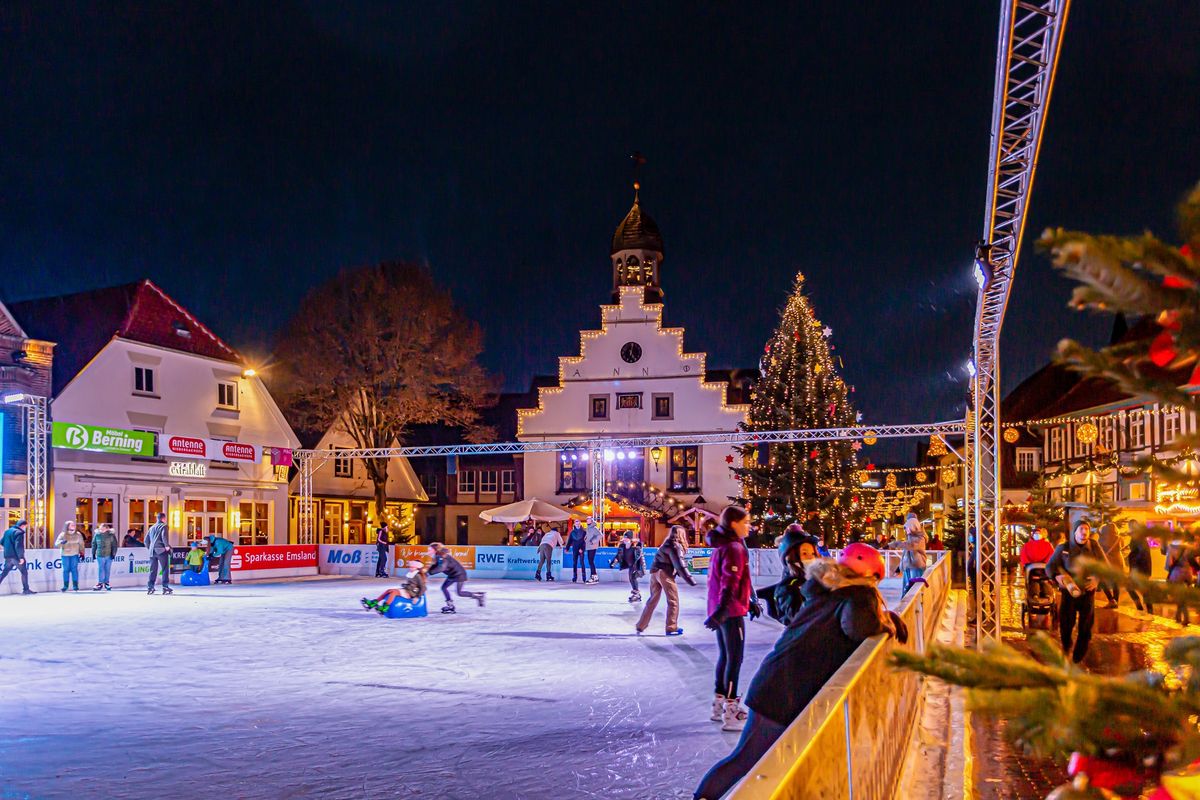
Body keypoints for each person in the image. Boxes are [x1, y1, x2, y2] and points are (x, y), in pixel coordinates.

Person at [693, 544, 907, 800]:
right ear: (870, 574)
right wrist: (882, 617)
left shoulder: (834, 589)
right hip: (780, 690)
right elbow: (857, 627)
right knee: (746, 759)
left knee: (768, 760)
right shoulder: (857, 593)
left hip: (783, 683)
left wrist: (885, 616)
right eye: (875, 580)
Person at [705, 505, 760, 732]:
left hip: (724, 609)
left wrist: (751, 600)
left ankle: (718, 705)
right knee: (734, 659)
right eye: (745, 522)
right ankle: (731, 711)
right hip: (730, 611)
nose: (749, 527)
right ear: (734, 523)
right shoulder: (734, 547)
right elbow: (730, 582)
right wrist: (725, 610)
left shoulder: (723, 546)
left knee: (725, 657)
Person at [1046, 521, 1104, 663]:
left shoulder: (1095, 547)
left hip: (1087, 593)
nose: (1084, 532)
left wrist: (1097, 579)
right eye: (1081, 529)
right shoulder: (1063, 548)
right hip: (1069, 592)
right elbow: (1050, 567)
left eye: (1086, 529)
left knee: (1086, 626)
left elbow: (1105, 566)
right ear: (1075, 532)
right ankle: (1066, 645)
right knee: (1066, 623)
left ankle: (1079, 654)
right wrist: (1056, 576)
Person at [636, 525, 696, 635]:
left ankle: (641, 625)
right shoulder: (675, 546)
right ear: (681, 535)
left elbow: (673, 562)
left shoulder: (666, 543)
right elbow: (680, 565)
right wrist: (690, 580)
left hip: (655, 573)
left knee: (652, 600)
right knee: (673, 601)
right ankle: (671, 627)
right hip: (665, 574)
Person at [757, 524, 820, 626]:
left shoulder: (815, 579)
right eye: (804, 553)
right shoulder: (789, 588)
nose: (810, 558)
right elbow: (798, 618)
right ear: (792, 557)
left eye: (812, 553)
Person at [427, 543, 485, 613]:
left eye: (430, 549)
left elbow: (441, 568)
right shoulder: (438, 556)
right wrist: (427, 572)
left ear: (435, 550)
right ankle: (450, 605)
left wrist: (429, 573)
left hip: (459, 574)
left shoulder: (442, 557)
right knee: (444, 588)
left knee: (459, 593)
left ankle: (478, 596)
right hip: (452, 574)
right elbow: (435, 566)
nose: (428, 551)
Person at [361, 560, 428, 614]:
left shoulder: (418, 576)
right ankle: (374, 603)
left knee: (394, 592)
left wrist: (416, 597)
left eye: (413, 567)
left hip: (411, 593)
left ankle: (385, 608)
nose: (411, 568)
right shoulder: (411, 574)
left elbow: (423, 588)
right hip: (407, 590)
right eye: (410, 566)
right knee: (389, 590)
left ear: (417, 568)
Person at [1163, 534, 1200, 625]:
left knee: (1180, 597)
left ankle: (1186, 618)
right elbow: (1193, 560)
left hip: (1177, 575)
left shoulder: (1171, 547)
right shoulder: (1189, 547)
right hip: (1188, 574)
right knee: (1182, 595)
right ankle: (1178, 616)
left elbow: (1168, 565)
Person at [1019, 528, 1056, 603]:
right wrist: (1027, 563)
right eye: (1035, 533)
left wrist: (1046, 562)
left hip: (1044, 570)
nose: (1037, 535)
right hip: (1032, 569)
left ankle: (1048, 595)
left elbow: (1051, 555)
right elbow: (1023, 556)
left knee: (1045, 582)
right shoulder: (1027, 546)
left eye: (1038, 533)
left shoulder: (1047, 545)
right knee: (1034, 583)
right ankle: (1034, 595)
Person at [0, 519, 35, 594]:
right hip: (16, 557)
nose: (25, 528)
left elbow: (2, 542)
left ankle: (26, 589)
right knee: (24, 572)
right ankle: (26, 590)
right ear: (22, 525)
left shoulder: (7, 531)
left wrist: (9, 548)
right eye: (25, 526)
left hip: (7, 556)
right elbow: (19, 546)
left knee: (4, 573)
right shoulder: (19, 533)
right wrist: (21, 557)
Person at [1097, 522, 1126, 608]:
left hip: (1106, 562)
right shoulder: (1120, 538)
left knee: (1102, 581)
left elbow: (1099, 550)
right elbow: (1122, 547)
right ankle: (1116, 601)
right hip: (1118, 562)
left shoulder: (1101, 539)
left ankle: (1111, 600)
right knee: (1115, 583)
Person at [611, 532, 646, 602]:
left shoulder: (636, 547)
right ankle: (637, 594)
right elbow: (618, 556)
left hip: (636, 565)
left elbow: (640, 558)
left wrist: (641, 568)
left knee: (633, 578)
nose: (625, 539)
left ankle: (636, 594)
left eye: (627, 538)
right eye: (624, 538)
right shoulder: (622, 547)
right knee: (631, 579)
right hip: (630, 565)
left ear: (630, 539)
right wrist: (614, 562)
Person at [144, 512, 173, 595]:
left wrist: (150, 548)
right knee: (165, 568)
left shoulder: (152, 527)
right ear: (163, 518)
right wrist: (167, 546)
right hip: (161, 550)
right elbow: (164, 537)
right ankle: (165, 586)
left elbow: (146, 541)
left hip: (152, 551)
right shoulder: (164, 526)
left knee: (153, 570)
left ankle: (150, 587)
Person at [899, 513, 928, 596]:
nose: (906, 530)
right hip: (909, 565)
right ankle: (907, 600)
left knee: (915, 588)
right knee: (908, 587)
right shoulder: (911, 537)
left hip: (915, 565)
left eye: (907, 528)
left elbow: (913, 548)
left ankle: (914, 602)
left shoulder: (918, 537)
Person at [55, 521, 85, 592]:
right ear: (67, 526)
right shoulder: (63, 534)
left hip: (74, 554)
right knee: (66, 570)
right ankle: (65, 586)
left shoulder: (78, 534)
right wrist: (61, 542)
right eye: (72, 525)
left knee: (74, 570)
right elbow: (56, 544)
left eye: (74, 525)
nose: (74, 526)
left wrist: (82, 553)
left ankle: (75, 586)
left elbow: (81, 544)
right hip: (65, 555)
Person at [1126, 532, 1153, 613]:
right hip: (1144, 570)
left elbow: (1136, 559)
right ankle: (1149, 610)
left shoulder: (1138, 542)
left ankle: (1141, 607)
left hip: (1139, 571)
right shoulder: (1143, 542)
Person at [91, 522, 119, 591]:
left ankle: (106, 582)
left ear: (107, 529)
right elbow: (94, 544)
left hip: (108, 555)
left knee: (107, 569)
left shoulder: (111, 535)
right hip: (100, 555)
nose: (102, 530)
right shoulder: (97, 535)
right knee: (101, 569)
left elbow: (114, 545)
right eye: (101, 529)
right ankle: (100, 583)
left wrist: (113, 554)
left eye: (103, 528)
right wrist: (93, 553)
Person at [584, 518, 603, 583]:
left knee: (591, 561)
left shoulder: (594, 528)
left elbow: (600, 535)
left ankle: (594, 576)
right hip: (589, 547)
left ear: (591, 521)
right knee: (590, 561)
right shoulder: (588, 528)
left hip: (592, 547)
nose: (587, 521)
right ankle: (594, 576)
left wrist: (593, 541)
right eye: (587, 520)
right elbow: (588, 536)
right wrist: (585, 539)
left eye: (588, 520)